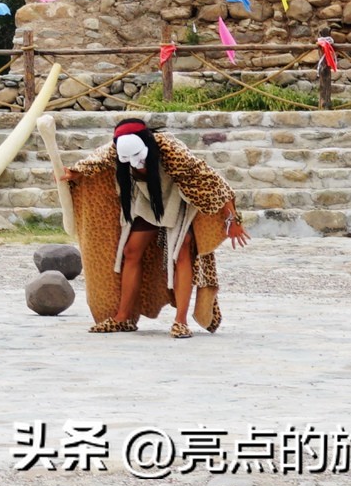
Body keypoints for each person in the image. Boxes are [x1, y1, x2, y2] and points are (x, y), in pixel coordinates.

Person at [60, 117, 248, 336]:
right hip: (150, 201)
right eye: (127, 159)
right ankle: (123, 318)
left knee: (182, 251)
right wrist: (75, 173)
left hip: (179, 199)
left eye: (138, 157)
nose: (135, 164)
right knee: (131, 251)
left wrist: (233, 221)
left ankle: (181, 321)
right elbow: (95, 162)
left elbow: (215, 184)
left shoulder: (175, 153)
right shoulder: (114, 151)